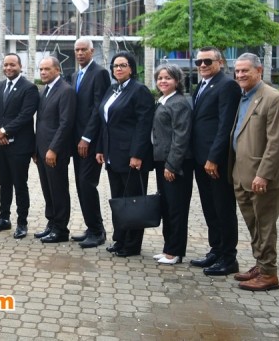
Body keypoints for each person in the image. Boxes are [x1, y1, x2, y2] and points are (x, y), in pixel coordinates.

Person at [230, 53, 279, 291]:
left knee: (265, 226)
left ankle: (269, 274)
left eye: (245, 70)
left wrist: (264, 174)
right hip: (242, 174)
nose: (240, 75)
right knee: (254, 225)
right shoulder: (244, 96)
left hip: (262, 178)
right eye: (237, 71)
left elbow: (277, 142)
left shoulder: (273, 98)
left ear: (259, 71)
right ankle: (260, 264)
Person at [95, 51, 154, 258]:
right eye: (115, 65)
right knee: (119, 200)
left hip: (131, 157)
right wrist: (100, 148)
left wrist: (137, 154)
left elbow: (143, 125)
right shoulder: (113, 89)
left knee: (133, 201)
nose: (118, 69)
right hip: (112, 155)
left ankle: (132, 244)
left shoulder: (139, 90)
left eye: (123, 65)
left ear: (131, 68)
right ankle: (120, 239)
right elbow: (105, 122)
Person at [189, 47, 242, 276]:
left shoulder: (227, 85)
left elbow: (225, 125)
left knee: (223, 208)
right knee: (210, 208)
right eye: (199, 62)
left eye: (208, 61)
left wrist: (214, 158)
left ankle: (228, 258)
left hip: (215, 161)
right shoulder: (202, 85)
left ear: (220, 62)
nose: (202, 65)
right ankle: (216, 250)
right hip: (200, 159)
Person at [0, 53, 39, 239]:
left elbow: (25, 115)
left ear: (20, 66)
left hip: (19, 146)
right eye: (6, 65)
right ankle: (4, 219)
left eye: (12, 65)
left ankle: (22, 223)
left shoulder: (29, 88)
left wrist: (4, 131)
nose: (8, 68)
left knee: (20, 184)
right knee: (4, 183)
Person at [70, 38, 111, 249]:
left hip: (91, 141)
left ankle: (98, 231)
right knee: (80, 185)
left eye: (83, 50)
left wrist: (86, 138)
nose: (79, 53)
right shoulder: (75, 75)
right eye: (77, 50)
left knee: (87, 184)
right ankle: (91, 227)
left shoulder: (100, 73)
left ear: (92, 51)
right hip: (75, 141)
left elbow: (98, 108)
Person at [151, 64, 194, 265]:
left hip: (175, 164)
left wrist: (172, 165)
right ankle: (168, 248)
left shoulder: (179, 103)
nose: (163, 81)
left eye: (168, 78)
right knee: (167, 207)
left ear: (177, 81)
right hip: (162, 162)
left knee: (177, 208)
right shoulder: (163, 100)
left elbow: (181, 137)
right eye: (160, 78)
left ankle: (175, 251)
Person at [33, 56, 76, 243]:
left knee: (58, 190)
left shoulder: (66, 91)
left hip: (55, 152)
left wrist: (53, 149)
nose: (43, 72)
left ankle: (61, 229)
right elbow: (41, 122)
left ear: (57, 70)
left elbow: (66, 124)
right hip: (42, 150)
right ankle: (51, 224)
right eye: (41, 69)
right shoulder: (44, 90)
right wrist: (36, 149)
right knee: (47, 189)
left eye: (47, 69)